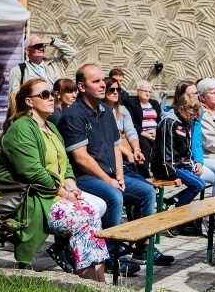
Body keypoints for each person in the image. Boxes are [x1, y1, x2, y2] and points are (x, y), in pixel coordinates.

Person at [58, 64, 174, 269]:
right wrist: (109, 180)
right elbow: (81, 158)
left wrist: (119, 175)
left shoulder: (106, 111)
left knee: (147, 191)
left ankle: (142, 248)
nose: (103, 85)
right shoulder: (74, 115)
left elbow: (115, 147)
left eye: (102, 80)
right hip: (83, 178)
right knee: (114, 196)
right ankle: (111, 256)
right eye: (96, 81)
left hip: (111, 174)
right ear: (81, 87)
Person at [0, 78, 109, 279]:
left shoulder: (51, 128)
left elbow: (65, 166)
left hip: (53, 194)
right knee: (84, 217)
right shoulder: (21, 128)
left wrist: (72, 187)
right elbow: (33, 173)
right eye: (44, 94)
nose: (51, 98)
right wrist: (66, 194)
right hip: (31, 197)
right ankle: (90, 281)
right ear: (29, 102)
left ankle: (98, 281)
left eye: (51, 93)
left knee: (92, 213)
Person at [151, 93, 208, 235]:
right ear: (181, 109)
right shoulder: (168, 123)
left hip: (179, 165)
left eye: (195, 116)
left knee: (200, 182)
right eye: (191, 115)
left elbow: (186, 150)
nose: (193, 118)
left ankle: (170, 201)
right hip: (165, 167)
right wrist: (171, 174)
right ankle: (173, 218)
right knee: (198, 185)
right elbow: (165, 151)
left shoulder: (185, 123)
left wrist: (190, 166)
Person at [173, 80, 215, 196]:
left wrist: (199, 161)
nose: (196, 96)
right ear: (181, 96)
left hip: (193, 159)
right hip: (181, 162)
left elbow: (197, 142)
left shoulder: (197, 114)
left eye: (196, 93)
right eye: (191, 94)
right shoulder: (172, 118)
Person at [8, 35, 77, 95]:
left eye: (42, 45)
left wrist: (52, 41)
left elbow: (71, 53)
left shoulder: (55, 64)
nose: (41, 48)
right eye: (37, 45)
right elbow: (13, 96)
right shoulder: (18, 70)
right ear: (27, 50)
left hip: (57, 104)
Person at [103, 76, 145, 167]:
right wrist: (128, 153)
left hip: (124, 146)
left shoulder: (122, 110)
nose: (115, 92)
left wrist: (136, 149)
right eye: (112, 90)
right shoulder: (99, 111)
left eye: (118, 89)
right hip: (111, 153)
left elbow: (130, 130)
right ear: (104, 91)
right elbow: (106, 138)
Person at [124, 80, 161, 178]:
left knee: (160, 146)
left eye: (149, 91)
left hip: (155, 133)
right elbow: (132, 123)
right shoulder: (131, 104)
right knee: (146, 147)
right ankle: (144, 173)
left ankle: (159, 172)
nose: (147, 93)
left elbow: (160, 120)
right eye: (145, 91)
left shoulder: (155, 103)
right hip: (140, 133)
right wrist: (146, 134)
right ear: (138, 91)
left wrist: (157, 132)